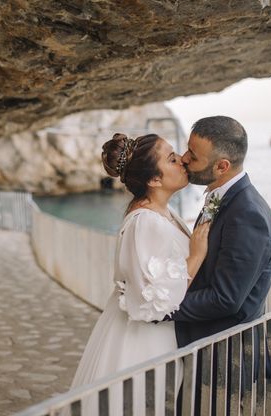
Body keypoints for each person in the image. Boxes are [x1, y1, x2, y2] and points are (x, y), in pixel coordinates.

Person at [67, 133, 210, 415]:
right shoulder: (144, 222)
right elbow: (151, 299)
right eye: (171, 159)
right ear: (154, 180)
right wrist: (195, 257)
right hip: (142, 341)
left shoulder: (161, 213)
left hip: (155, 336)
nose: (182, 160)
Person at [159, 116, 271, 414]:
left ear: (222, 166)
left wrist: (160, 305)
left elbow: (226, 299)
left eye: (193, 155)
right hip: (205, 348)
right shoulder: (222, 199)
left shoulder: (247, 215)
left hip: (225, 358)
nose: (184, 159)